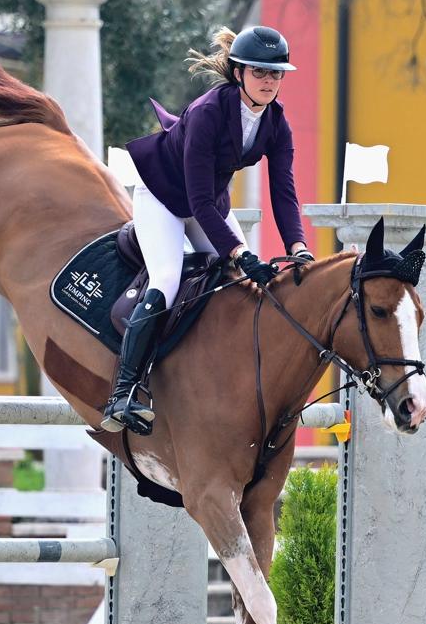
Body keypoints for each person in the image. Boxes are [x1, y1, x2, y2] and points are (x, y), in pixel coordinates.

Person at [102, 25, 314, 434]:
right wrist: (241, 252)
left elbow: (284, 192)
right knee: (167, 278)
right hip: (163, 194)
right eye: (260, 72)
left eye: (277, 74)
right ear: (239, 73)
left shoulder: (276, 122)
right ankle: (124, 392)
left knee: (238, 282)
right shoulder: (208, 112)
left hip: (208, 201)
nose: (270, 81)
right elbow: (195, 201)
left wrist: (299, 246)